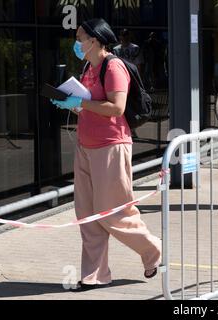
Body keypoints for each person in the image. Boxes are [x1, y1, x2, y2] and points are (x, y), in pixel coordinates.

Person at [50, 18, 161, 291]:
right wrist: (71, 104)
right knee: (87, 215)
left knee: (113, 213)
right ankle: (95, 275)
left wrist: (81, 102)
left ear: (96, 40)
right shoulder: (88, 66)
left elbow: (116, 108)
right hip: (86, 146)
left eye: (80, 37)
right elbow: (90, 105)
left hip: (111, 146)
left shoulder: (113, 66)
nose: (77, 42)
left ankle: (153, 250)